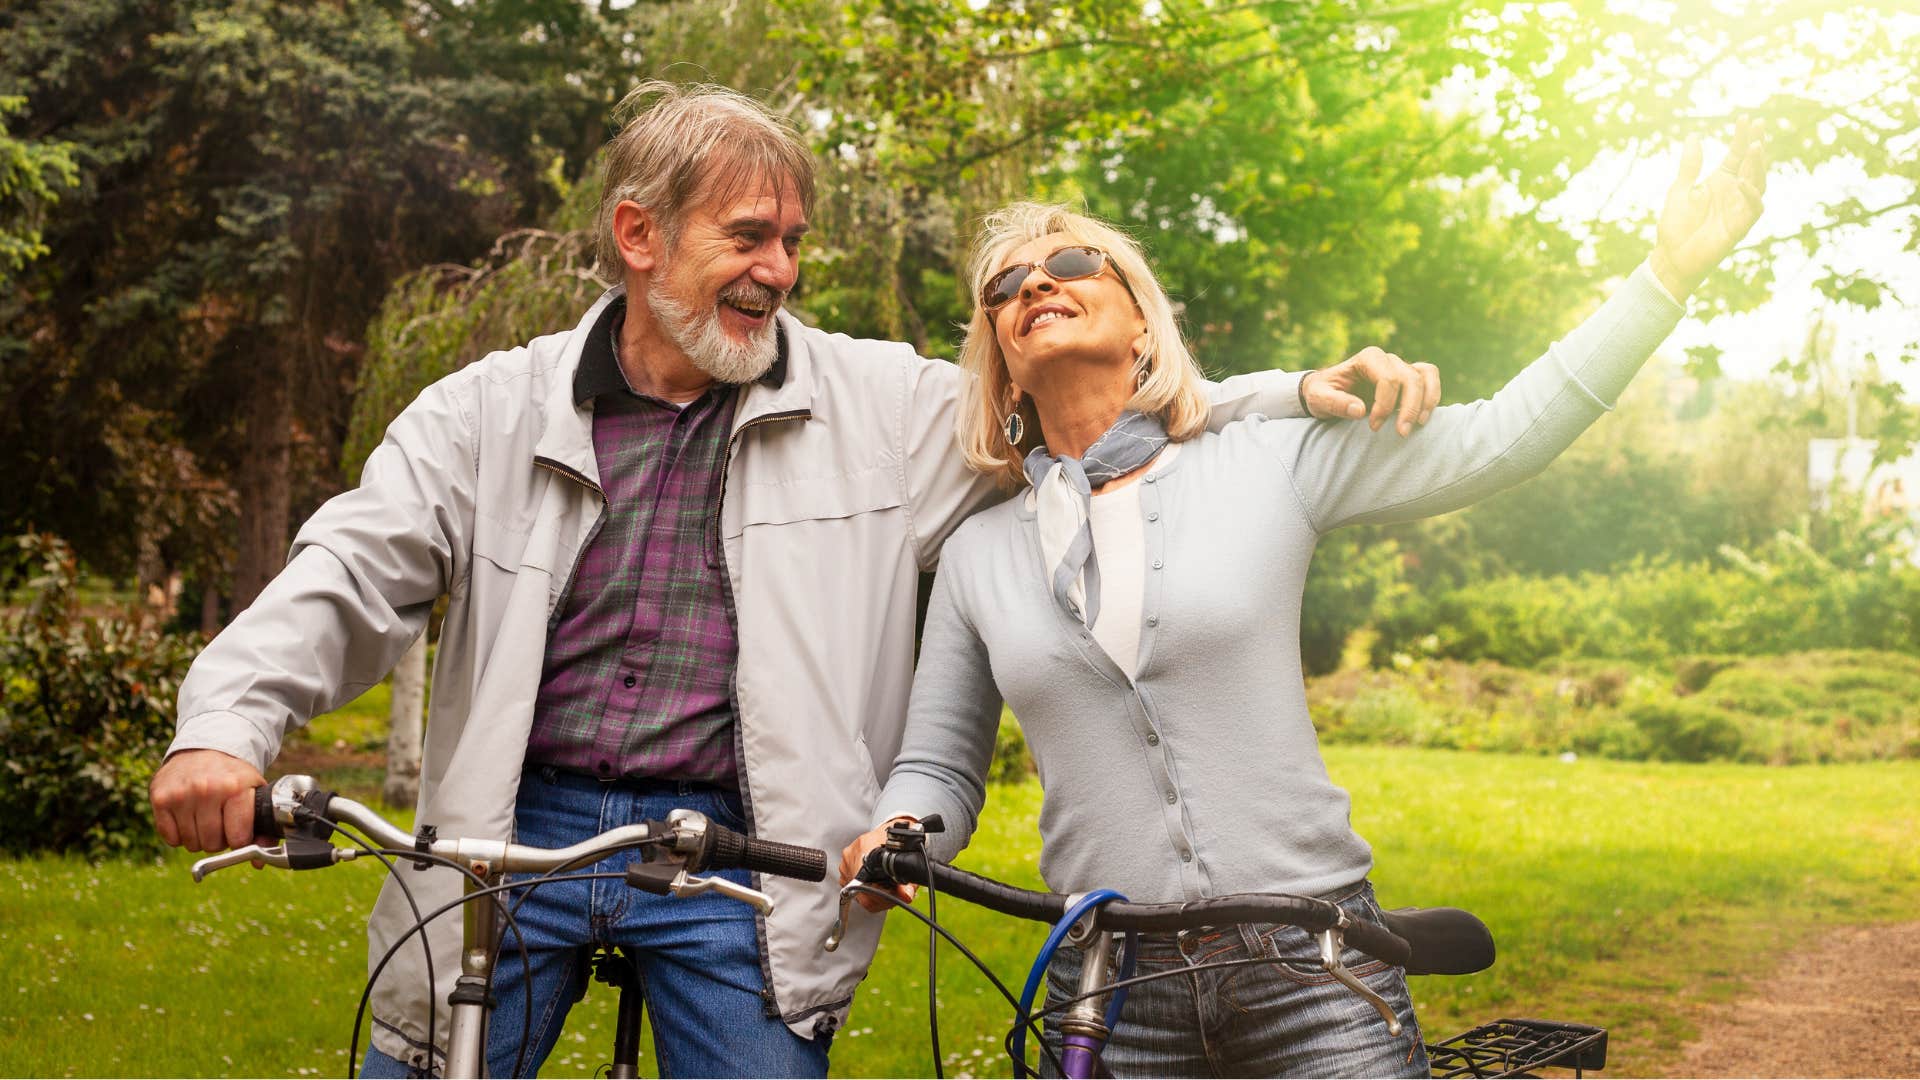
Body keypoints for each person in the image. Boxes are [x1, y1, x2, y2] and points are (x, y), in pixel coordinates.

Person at [145, 81, 1444, 1077]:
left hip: (742, 857)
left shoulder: (882, 406)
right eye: (748, 235)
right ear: (639, 235)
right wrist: (225, 728)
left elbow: (1082, 407)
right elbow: (352, 568)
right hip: (514, 833)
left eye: (793, 240)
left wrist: (1282, 399)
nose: (782, 267)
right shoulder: (485, 411)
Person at [841, 121, 1767, 1076]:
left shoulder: (1268, 459)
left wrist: (1663, 278)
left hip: (1316, 970)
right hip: (1105, 989)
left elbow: (1505, 438)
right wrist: (899, 831)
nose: (1035, 284)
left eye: (1073, 262)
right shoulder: (978, 553)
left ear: (1143, 323)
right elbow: (939, 765)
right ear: (996, 350)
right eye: (1005, 286)